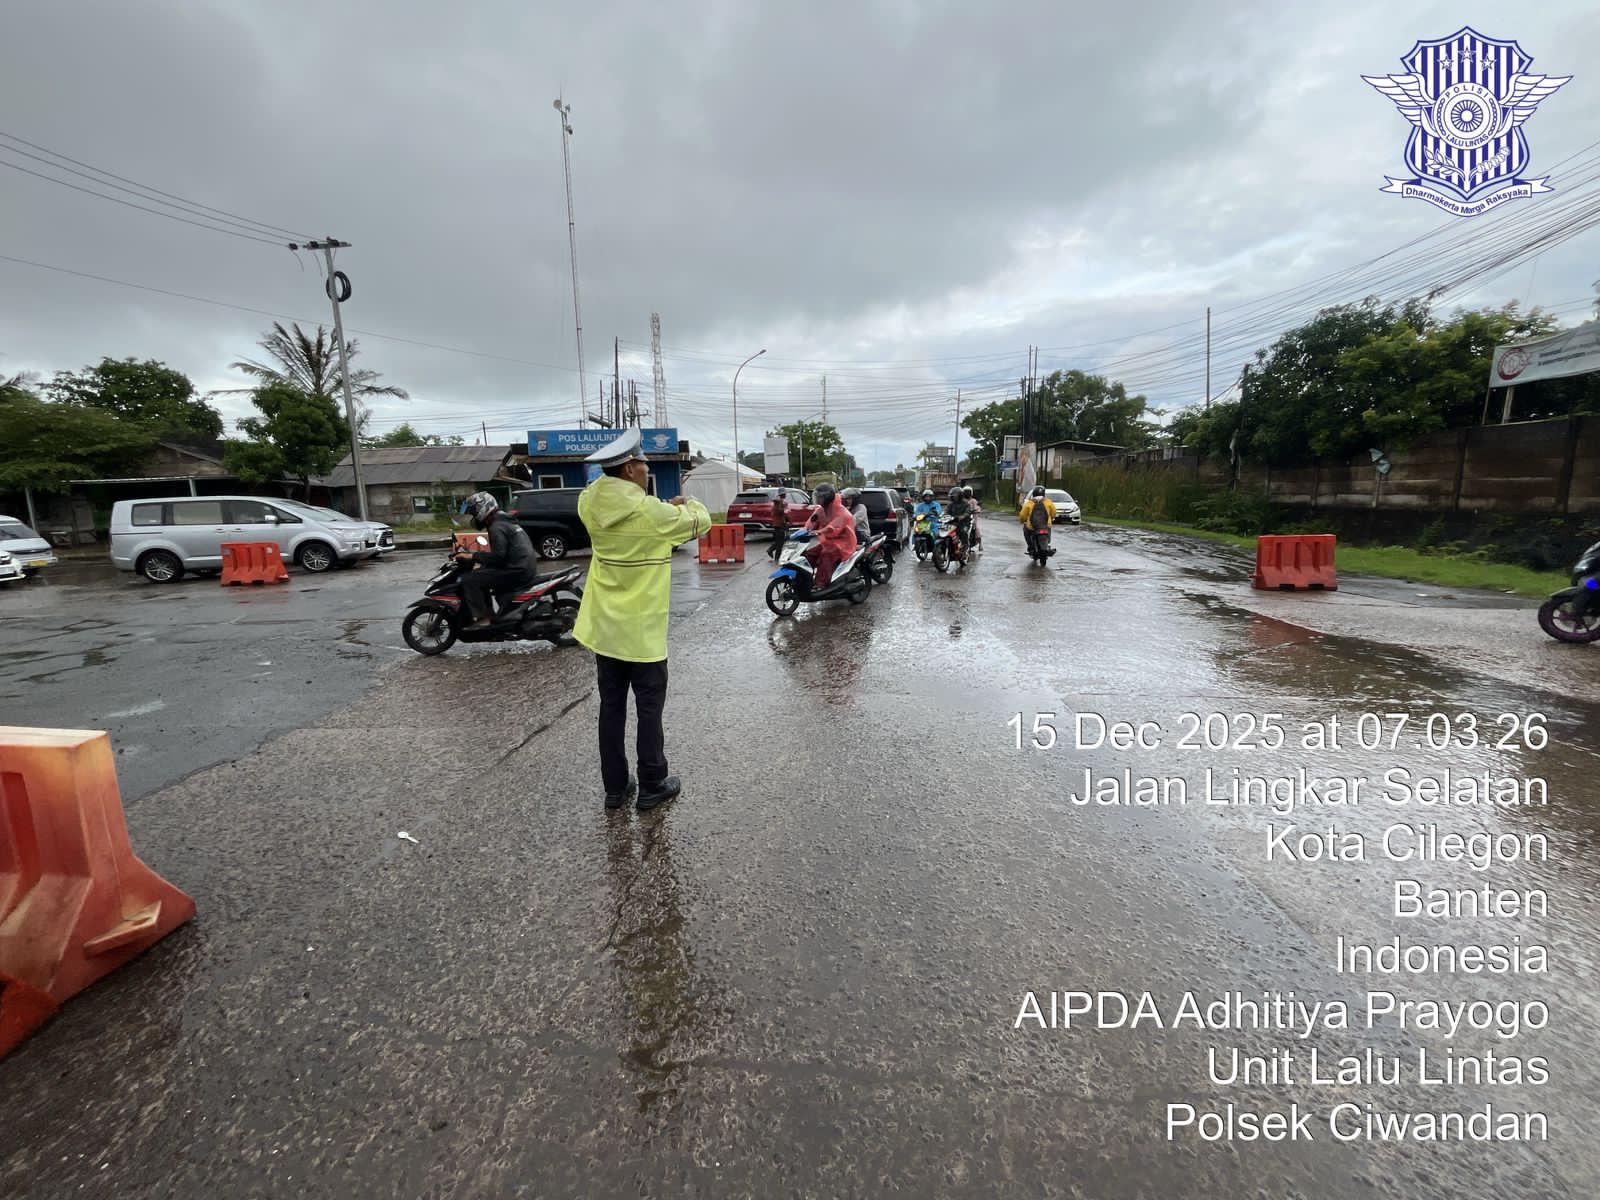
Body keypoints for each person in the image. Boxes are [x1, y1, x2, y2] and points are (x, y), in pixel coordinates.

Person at [573, 428, 712, 812]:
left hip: (605, 630)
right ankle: (652, 783)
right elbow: (701, 522)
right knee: (649, 709)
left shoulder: (589, 503)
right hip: (642, 634)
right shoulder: (652, 513)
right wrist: (687, 502)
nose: (647, 469)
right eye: (644, 464)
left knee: (611, 707)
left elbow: (596, 499)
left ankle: (615, 788)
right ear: (630, 469)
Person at [454, 491, 539, 630]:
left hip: (517, 570)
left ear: (483, 508)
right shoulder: (504, 521)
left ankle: (483, 619)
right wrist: (482, 563)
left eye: (474, 513)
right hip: (521, 566)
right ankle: (495, 615)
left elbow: (499, 556)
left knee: (470, 580)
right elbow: (502, 554)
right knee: (480, 574)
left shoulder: (497, 526)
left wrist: (472, 556)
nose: (474, 517)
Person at [801, 482, 857, 588]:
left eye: (820, 497)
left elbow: (834, 527)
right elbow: (811, 522)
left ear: (827, 497)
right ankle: (805, 578)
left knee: (826, 555)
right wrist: (803, 531)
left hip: (843, 544)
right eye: (816, 497)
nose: (817, 500)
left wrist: (820, 531)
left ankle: (821, 583)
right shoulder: (820, 510)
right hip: (828, 543)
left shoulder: (842, 512)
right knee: (809, 554)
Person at [1019, 485, 1056, 555]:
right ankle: (1047, 544)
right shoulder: (1048, 502)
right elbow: (1053, 512)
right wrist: (1051, 518)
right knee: (1048, 529)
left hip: (1032, 527)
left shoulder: (1029, 503)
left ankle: (1030, 547)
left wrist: (1022, 520)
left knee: (1025, 530)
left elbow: (1022, 515)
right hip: (1046, 525)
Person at [946, 486, 973, 555]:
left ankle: (965, 546)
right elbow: (946, 512)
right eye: (953, 496)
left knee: (963, 532)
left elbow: (968, 512)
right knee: (944, 531)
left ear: (960, 496)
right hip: (953, 522)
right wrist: (943, 516)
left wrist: (963, 516)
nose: (954, 497)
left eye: (956, 496)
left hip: (964, 523)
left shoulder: (966, 503)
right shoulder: (950, 504)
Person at [768, 490, 789, 561]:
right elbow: (781, 511)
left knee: (780, 541)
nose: (785, 495)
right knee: (780, 542)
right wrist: (785, 508)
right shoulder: (779, 502)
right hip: (779, 524)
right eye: (784, 494)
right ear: (782, 494)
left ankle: (771, 551)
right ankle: (776, 557)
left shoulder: (778, 503)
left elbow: (781, 513)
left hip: (778, 524)